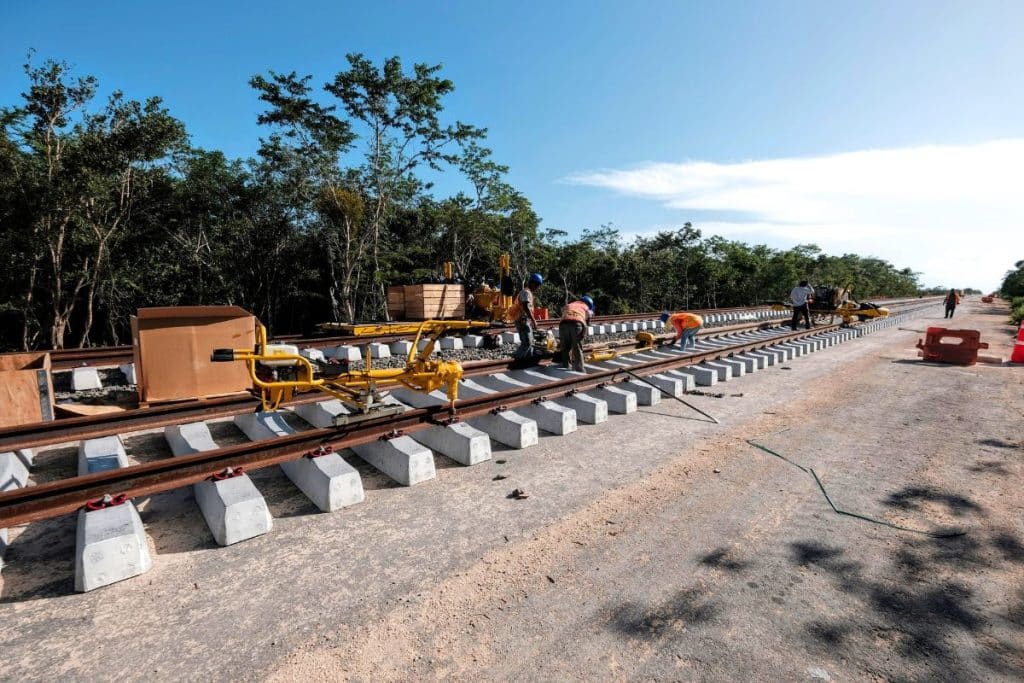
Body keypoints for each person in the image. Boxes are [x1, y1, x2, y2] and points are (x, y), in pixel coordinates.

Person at [513, 273, 544, 359]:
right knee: (528, 343)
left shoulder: (528, 292)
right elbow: (526, 307)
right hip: (522, 320)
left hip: (523, 320)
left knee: (526, 342)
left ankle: (527, 361)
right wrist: (533, 320)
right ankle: (518, 361)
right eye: (537, 285)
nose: (537, 287)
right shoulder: (526, 292)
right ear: (533, 283)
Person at [558, 295, 594, 371]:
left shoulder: (570, 304)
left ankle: (566, 365)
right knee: (577, 347)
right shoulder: (586, 307)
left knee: (565, 347)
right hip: (576, 324)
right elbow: (588, 321)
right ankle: (579, 368)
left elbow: (563, 311)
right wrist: (585, 329)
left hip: (563, 324)